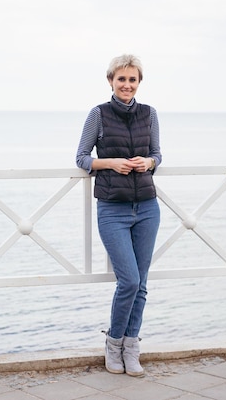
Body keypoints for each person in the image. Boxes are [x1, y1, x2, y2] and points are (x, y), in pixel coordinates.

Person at [76, 54, 162, 377]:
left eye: (133, 80)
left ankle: (131, 346)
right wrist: (110, 163)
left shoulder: (150, 115)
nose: (127, 85)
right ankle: (113, 343)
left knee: (141, 285)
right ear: (111, 80)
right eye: (121, 79)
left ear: (139, 83)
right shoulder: (98, 115)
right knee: (129, 280)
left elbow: (157, 154)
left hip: (147, 208)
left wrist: (148, 163)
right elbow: (82, 158)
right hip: (112, 207)